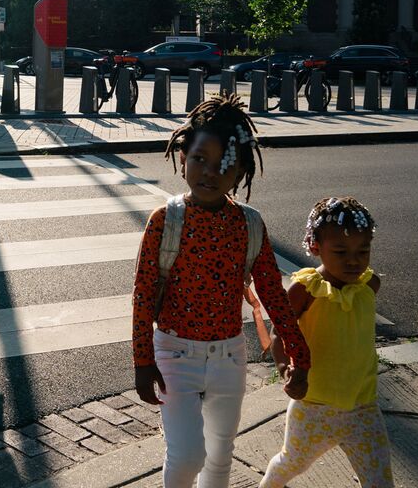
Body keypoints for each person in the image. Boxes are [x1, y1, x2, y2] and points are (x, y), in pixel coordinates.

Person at [132, 94, 310, 488]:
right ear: (182, 158)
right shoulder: (165, 220)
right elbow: (143, 294)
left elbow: (272, 294)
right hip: (175, 354)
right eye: (199, 160)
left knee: (220, 455)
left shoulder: (250, 225)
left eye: (223, 165)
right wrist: (143, 360)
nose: (209, 173)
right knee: (187, 454)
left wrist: (299, 351)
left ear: (242, 171)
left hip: (230, 356)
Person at [260, 197, 392, 488]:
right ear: (315, 246)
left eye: (363, 251)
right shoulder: (305, 289)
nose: (353, 260)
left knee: (380, 481)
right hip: (314, 408)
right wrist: (285, 368)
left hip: (363, 407)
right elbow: (279, 332)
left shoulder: (370, 286)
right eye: (341, 251)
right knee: (291, 462)